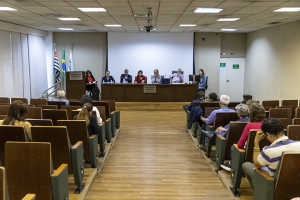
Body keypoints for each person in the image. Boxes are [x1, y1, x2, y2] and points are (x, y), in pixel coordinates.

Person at [242, 118, 300, 189]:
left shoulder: (268, 151)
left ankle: (260, 192)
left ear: (268, 135)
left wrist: (256, 142)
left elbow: (257, 165)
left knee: (246, 165)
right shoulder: (299, 144)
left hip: (274, 187)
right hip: (296, 185)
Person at [221, 103, 265, 171]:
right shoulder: (267, 124)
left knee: (234, 147)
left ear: (251, 114)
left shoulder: (250, 126)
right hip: (263, 152)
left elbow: (240, 145)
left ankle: (232, 165)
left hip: (249, 152)